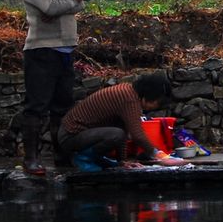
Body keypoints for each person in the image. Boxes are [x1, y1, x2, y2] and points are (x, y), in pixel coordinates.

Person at [19, 0, 86, 176]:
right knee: (37, 107)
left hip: (66, 47)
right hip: (42, 49)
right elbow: (50, 7)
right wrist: (68, 2)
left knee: (63, 107)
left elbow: (79, 5)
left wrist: (63, 6)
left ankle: (62, 155)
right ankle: (31, 159)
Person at [58, 72, 187, 172]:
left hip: (80, 135)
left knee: (118, 133)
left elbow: (124, 130)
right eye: (156, 103)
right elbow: (137, 135)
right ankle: (82, 159)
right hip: (70, 136)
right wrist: (161, 156)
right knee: (115, 134)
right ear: (148, 95)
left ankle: (93, 158)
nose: (154, 107)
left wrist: (122, 161)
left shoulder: (129, 93)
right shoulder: (128, 98)